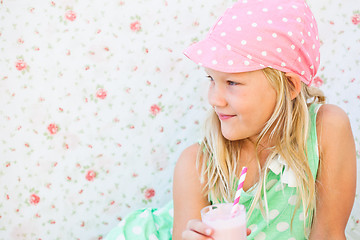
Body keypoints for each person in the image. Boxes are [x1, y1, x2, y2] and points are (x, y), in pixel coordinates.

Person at [105, 0, 356, 239]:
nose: (215, 99)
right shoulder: (197, 164)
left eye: (232, 82)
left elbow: (329, 235)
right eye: (211, 79)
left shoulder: (326, 129)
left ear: (290, 85)